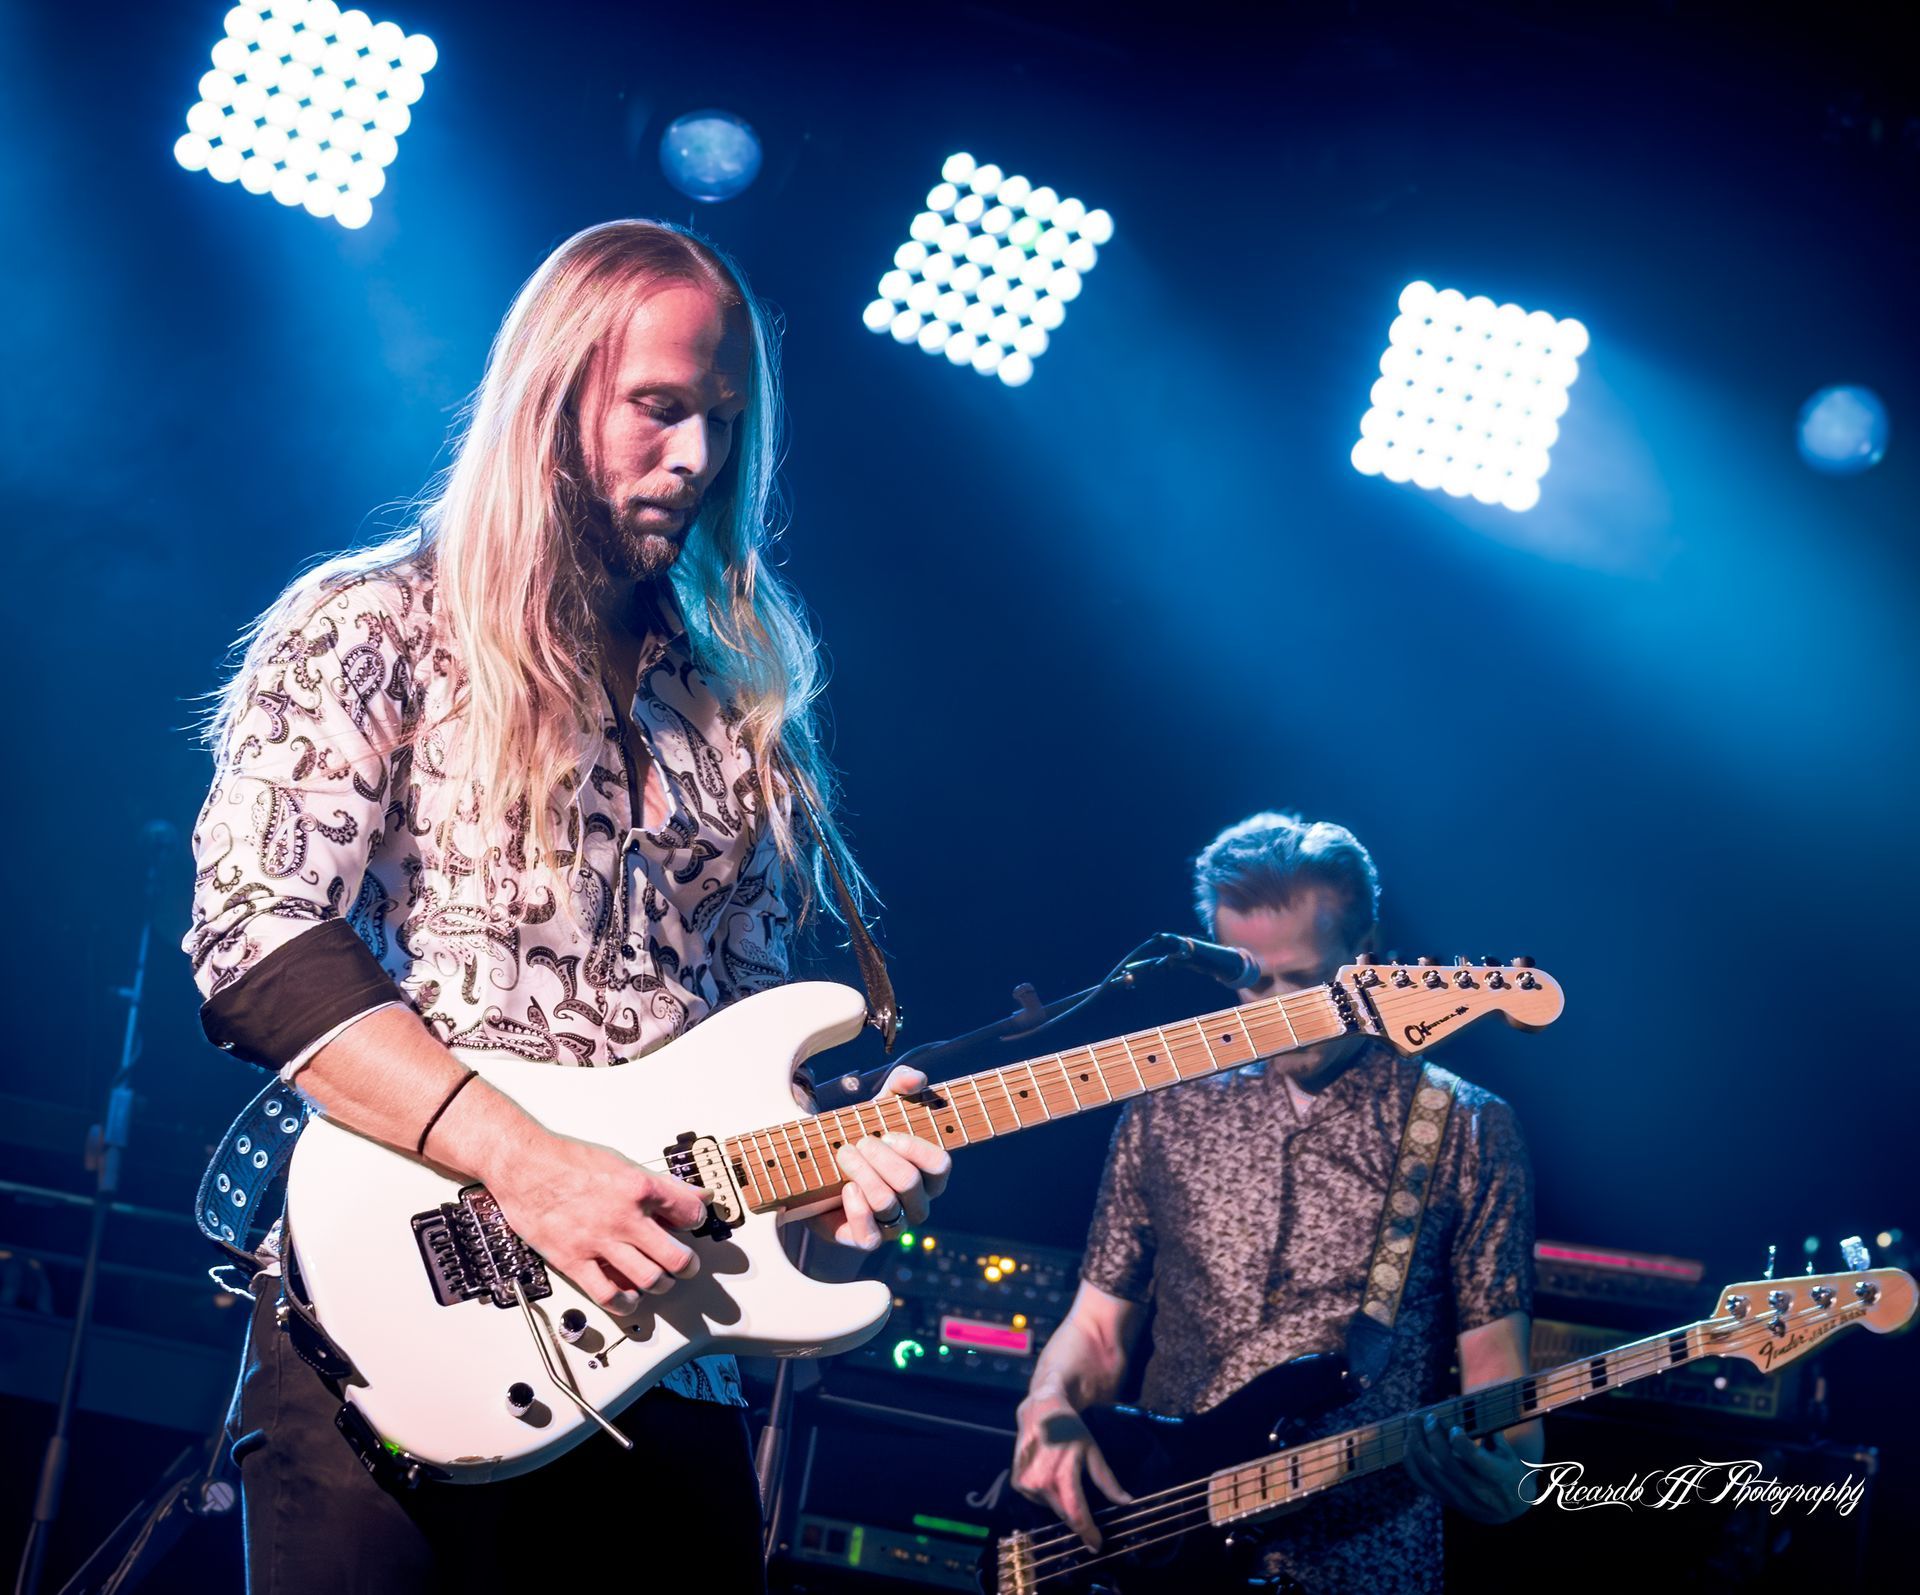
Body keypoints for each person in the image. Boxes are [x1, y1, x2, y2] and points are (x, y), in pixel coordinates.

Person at [182, 220, 949, 1593]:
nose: (699, 458)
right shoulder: (371, 626)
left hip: (668, 1349)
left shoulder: (739, 705)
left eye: (722, 421)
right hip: (402, 1316)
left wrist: (824, 1187)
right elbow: (258, 938)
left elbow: (735, 1046)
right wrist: (528, 1162)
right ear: (553, 395)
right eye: (659, 408)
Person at [1012, 812, 1540, 1593]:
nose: (1270, 1008)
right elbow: (1097, 1324)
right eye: (1249, 979)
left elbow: (1502, 1378)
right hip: (1160, 1553)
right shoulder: (1163, 1107)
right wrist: (1047, 1401)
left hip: (1361, 1563)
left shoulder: (1464, 1124)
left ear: (1367, 955)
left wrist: (1516, 1482)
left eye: (1301, 981)